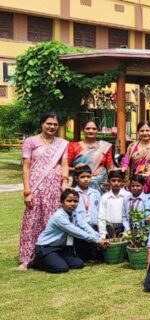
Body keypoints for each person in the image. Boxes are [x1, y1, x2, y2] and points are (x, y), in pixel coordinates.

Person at [19, 113, 70, 270]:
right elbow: (26, 166)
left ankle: (51, 253)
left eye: (55, 124)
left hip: (54, 189)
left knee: (52, 220)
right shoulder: (31, 141)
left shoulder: (62, 143)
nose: (52, 127)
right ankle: (27, 257)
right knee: (32, 220)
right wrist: (27, 191)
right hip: (36, 187)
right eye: (49, 123)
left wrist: (65, 182)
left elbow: (64, 164)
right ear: (42, 124)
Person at [31, 189, 108, 273]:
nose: (72, 204)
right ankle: (37, 262)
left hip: (63, 248)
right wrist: (97, 240)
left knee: (79, 264)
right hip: (47, 247)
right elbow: (76, 231)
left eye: (75, 201)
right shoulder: (59, 217)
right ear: (62, 202)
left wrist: (99, 237)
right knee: (61, 268)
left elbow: (84, 226)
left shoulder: (75, 213)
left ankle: (57, 259)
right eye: (69, 201)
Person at [67, 120, 114, 192]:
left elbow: (110, 168)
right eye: (88, 128)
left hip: (101, 185)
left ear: (97, 131)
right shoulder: (73, 146)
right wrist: (75, 168)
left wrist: (112, 185)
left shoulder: (104, 146)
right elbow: (64, 167)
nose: (91, 131)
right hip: (80, 185)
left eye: (94, 129)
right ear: (83, 130)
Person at [122, 121, 150, 193]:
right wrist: (124, 167)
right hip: (136, 181)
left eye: (147, 130)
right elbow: (126, 160)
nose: (145, 133)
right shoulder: (132, 146)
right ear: (138, 132)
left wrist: (148, 173)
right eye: (142, 131)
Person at [72, 166, 101, 261]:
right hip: (79, 227)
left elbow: (99, 208)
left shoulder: (95, 192)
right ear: (76, 178)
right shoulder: (73, 193)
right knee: (82, 256)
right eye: (82, 177)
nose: (86, 179)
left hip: (94, 225)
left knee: (96, 256)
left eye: (88, 177)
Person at [98, 170, 131, 240]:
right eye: (113, 180)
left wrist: (127, 230)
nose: (116, 183)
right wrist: (103, 234)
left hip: (124, 227)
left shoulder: (128, 195)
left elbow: (129, 215)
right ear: (109, 181)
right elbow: (101, 217)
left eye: (119, 181)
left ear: (122, 182)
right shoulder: (105, 197)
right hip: (110, 228)